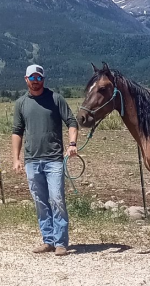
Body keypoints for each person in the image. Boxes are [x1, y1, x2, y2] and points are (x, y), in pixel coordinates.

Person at [12, 64, 78, 256]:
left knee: (57, 199)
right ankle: (47, 240)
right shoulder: (20, 103)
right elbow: (17, 132)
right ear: (26, 79)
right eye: (32, 78)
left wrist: (72, 144)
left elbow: (71, 122)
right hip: (31, 160)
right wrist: (16, 159)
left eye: (39, 78)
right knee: (40, 201)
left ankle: (61, 242)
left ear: (43, 79)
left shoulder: (56, 99)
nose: (35, 81)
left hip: (54, 160)